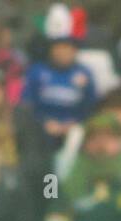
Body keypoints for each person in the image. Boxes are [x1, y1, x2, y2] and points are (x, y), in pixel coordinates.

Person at [21, 6, 97, 150]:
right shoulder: (36, 71)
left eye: (67, 47)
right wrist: (44, 122)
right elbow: (27, 105)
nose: (62, 51)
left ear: (75, 49)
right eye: (58, 46)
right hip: (41, 132)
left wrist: (75, 124)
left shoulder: (85, 74)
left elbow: (91, 108)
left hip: (75, 133)